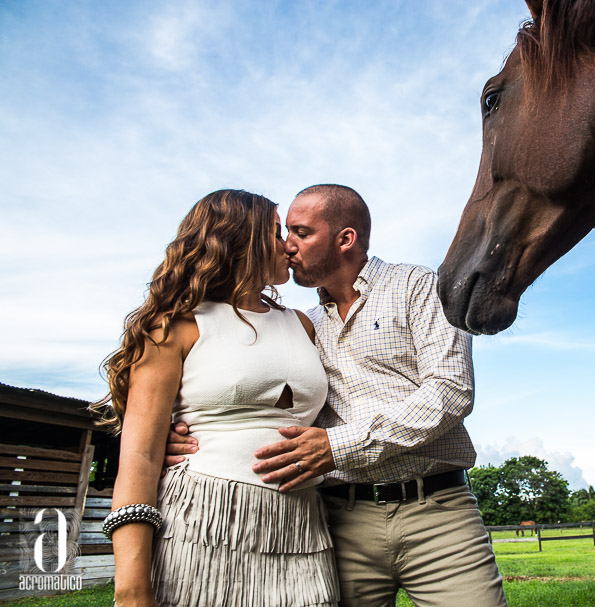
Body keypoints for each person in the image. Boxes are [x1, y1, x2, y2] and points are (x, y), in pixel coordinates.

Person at [167, 185, 507, 607]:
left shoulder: (419, 287)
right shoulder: (301, 325)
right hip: (338, 522)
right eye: (284, 232)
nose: (287, 245)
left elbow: (450, 390)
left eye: (301, 232)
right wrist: (180, 429)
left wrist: (337, 446)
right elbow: (249, 389)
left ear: (345, 239)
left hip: (438, 512)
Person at [95, 189, 339, 607]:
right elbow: (140, 456)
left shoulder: (304, 325)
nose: (288, 246)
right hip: (202, 522)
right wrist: (131, 590)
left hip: (302, 530)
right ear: (238, 239)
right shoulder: (175, 326)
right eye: (277, 232)